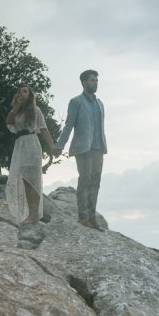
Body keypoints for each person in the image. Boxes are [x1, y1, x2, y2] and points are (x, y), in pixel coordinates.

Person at [53, 70, 107, 230]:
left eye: (96, 80)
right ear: (84, 82)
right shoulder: (76, 102)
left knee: (95, 182)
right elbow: (69, 125)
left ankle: (92, 218)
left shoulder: (100, 104)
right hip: (83, 148)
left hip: (99, 147)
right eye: (92, 80)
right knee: (85, 180)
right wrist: (59, 145)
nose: (95, 83)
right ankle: (83, 217)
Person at [5, 85, 54, 226]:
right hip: (20, 145)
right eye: (20, 92)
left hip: (32, 144)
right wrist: (15, 107)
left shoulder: (35, 110)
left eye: (25, 91)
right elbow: (8, 123)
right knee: (26, 180)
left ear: (30, 94)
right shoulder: (17, 111)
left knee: (34, 180)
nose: (22, 93)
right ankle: (31, 213)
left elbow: (44, 129)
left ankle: (34, 214)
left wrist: (52, 147)